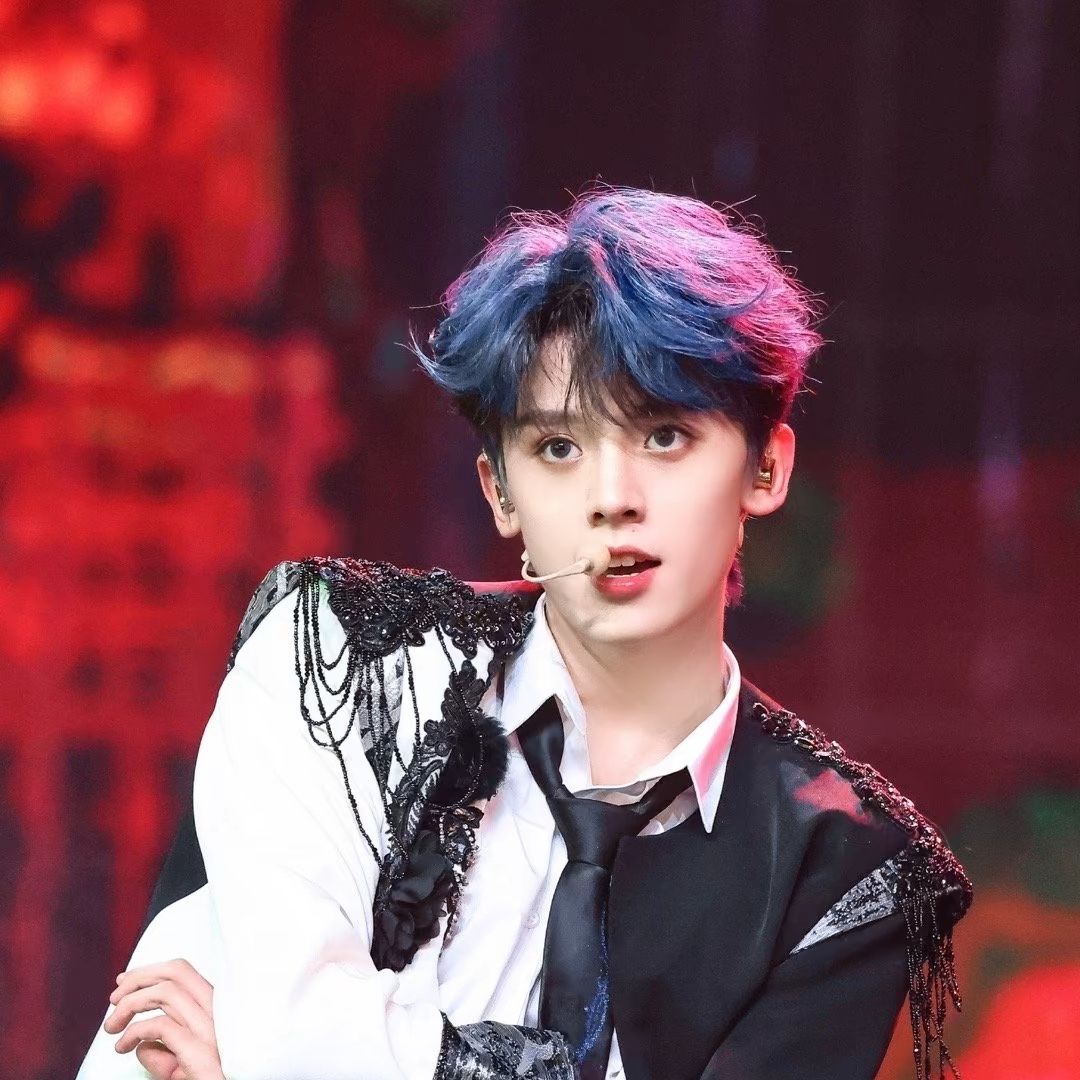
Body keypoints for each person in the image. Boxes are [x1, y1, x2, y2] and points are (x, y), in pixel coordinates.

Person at [77, 187, 971, 1080]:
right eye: (558, 449)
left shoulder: (845, 863)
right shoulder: (334, 660)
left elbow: (283, 1057)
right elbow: (289, 1028)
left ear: (765, 467)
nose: (612, 498)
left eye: (664, 436)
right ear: (500, 492)